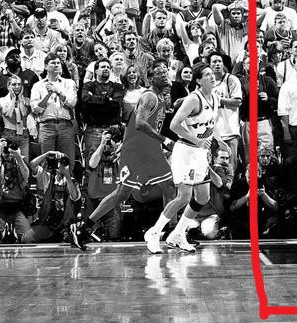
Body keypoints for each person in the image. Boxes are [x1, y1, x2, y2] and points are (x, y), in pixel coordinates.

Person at [71, 59, 176, 250]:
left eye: (165, 72)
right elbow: (139, 124)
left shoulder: (161, 97)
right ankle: (83, 229)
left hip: (151, 150)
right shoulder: (149, 96)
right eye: (159, 73)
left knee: (170, 188)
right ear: (150, 78)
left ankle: (173, 232)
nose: (164, 75)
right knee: (120, 194)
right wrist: (165, 140)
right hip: (137, 151)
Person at [144, 63, 219, 253]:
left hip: (200, 153)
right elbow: (175, 125)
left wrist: (214, 142)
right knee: (183, 197)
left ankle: (178, 234)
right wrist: (198, 141)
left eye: (212, 73)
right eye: (207, 74)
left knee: (203, 197)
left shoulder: (215, 97)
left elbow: (209, 125)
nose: (212, 76)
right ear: (198, 80)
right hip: (186, 151)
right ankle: (154, 232)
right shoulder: (193, 99)